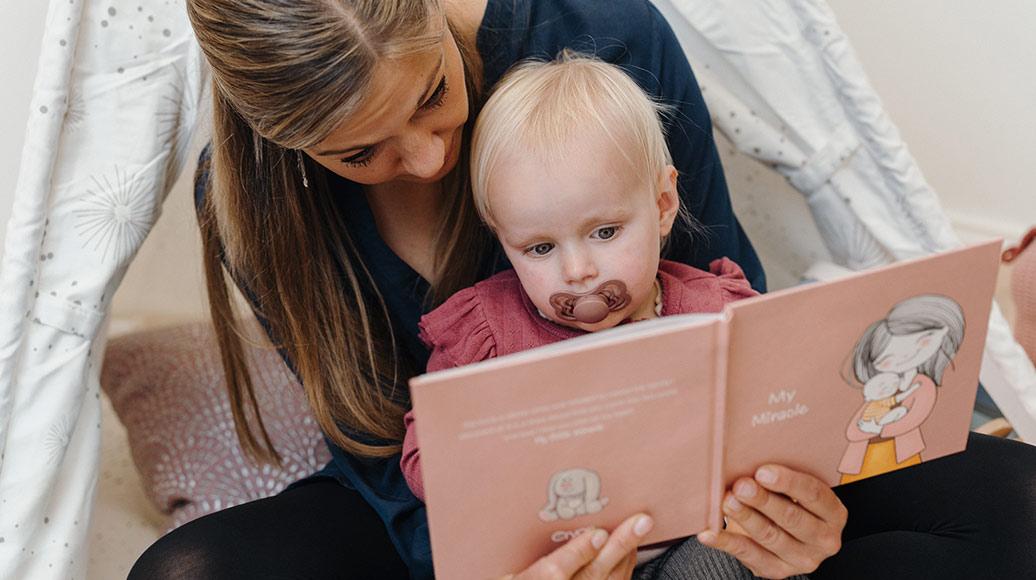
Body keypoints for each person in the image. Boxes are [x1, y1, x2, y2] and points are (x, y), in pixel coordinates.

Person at [129, 1, 1036, 579]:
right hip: (455, 523)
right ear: (286, 139)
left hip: (698, 497)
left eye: (433, 95)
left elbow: (732, 327)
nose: (431, 158)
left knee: (1015, 503)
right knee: (192, 573)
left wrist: (784, 517)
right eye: (359, 153)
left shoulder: (606, 37)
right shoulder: (253, 200)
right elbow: (380, 447)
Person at [398, 54, 761, 510]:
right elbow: (424, 459)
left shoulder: (717, 314)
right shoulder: (487, 339)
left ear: (663, 203)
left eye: (605, 232)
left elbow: (777, 411)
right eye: (540, 248)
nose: (577, 271)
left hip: (698, 532)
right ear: (502, 237)